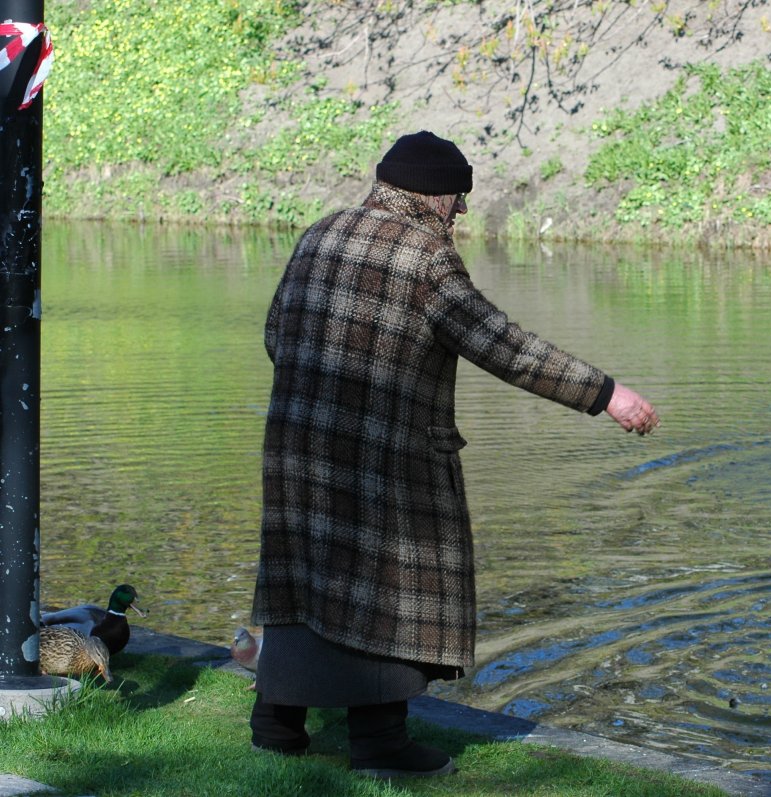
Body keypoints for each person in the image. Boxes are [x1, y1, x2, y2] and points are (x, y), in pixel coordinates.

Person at [249, 130, 659, 778]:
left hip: (298, 451)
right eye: (459, 200)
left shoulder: (321, 233)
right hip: (387, 460)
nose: (462, 214)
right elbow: (503, 345)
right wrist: (605, 393)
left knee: (306, 578)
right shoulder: (425, 257)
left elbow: (277, 333)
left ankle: (277, 724)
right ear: (435, 197)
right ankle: (381, 744)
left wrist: (322, 404)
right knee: (390, 583)